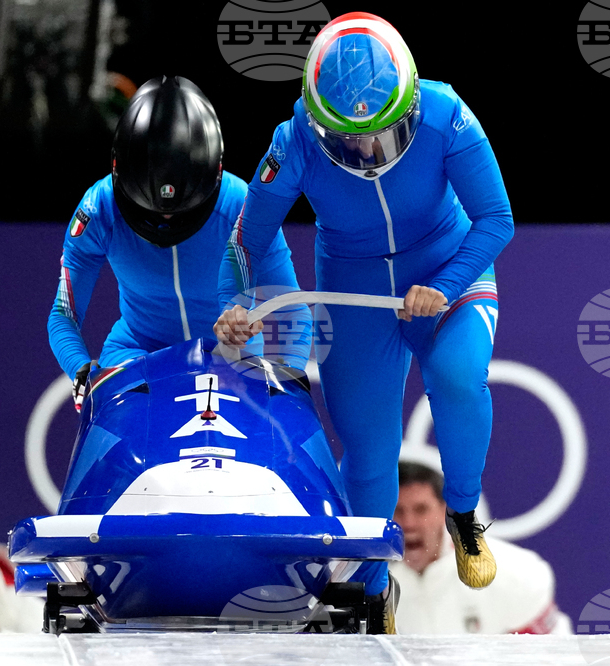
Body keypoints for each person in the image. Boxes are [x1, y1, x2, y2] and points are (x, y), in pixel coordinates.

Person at [214, 12, 514, 629]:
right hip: (355, 287)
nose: (367, 153)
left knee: (458, 375)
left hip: (446, 264)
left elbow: (496, 220)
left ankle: (463, 515)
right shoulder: (293, 139)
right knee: (369, 448)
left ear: (408, 104)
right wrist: (235, 301)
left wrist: (446, 285)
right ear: (319, 122)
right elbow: (247, 235)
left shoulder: (445, 113)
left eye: (382, 136)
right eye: (348, 142)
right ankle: (373, 590)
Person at [48, 75, 309, 406]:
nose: (166, 222)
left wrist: (289, 377)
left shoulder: (243, 207)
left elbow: (292, 307)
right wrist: (81, 371)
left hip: (234, 358)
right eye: (150, 212)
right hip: (136, 356)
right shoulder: (98, 209)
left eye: (182, 213)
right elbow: (64, 313)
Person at [392, 461, 572, 634]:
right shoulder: (369, 581)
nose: (408, 523)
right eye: (397, 510)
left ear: (444, 511)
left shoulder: (514, 573)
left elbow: (549, 656)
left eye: (421, 509)